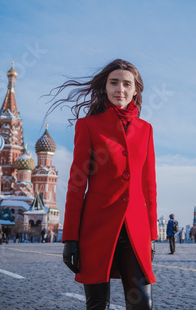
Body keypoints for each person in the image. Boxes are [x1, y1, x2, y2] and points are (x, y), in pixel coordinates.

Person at [58, 59, 157, 310]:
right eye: (114, 83)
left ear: (135, 90)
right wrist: (70, 237)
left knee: (142, 305)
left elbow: (149, 186)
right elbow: (77, 185)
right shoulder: (88, 126)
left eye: (126, 84)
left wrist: (152, 236)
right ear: (105, 86)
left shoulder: (146, 130)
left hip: (136, 232)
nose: (120, 89)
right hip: (95, 229)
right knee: (97, 305)